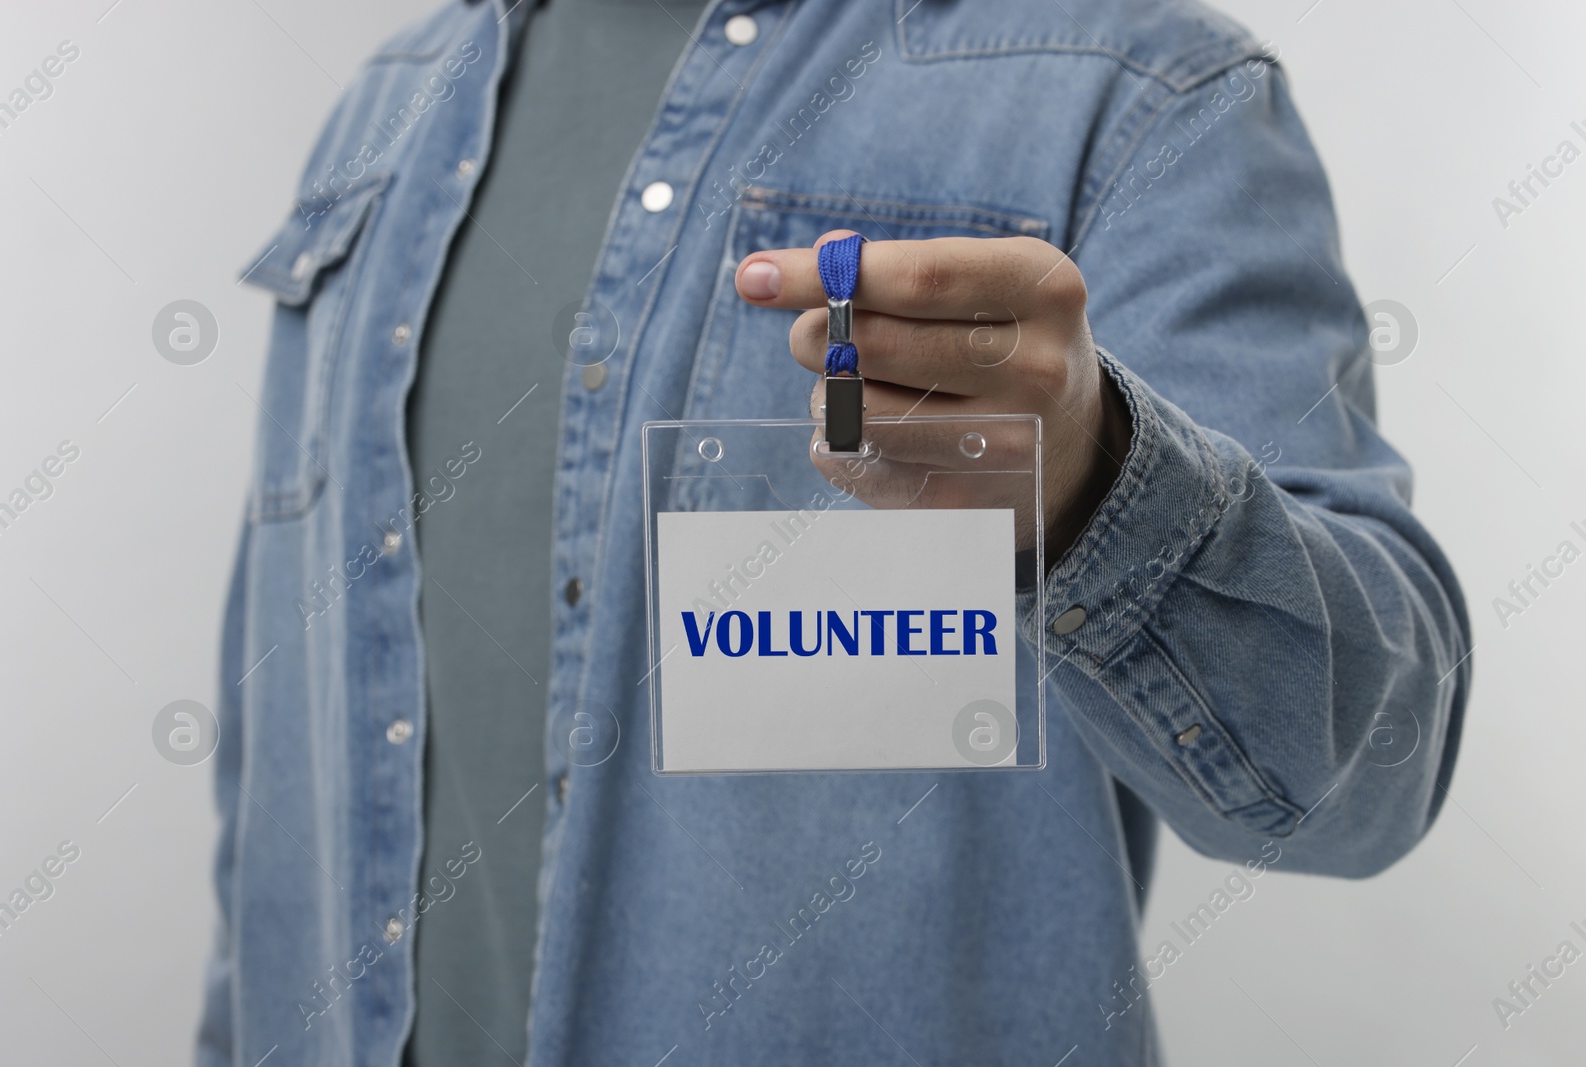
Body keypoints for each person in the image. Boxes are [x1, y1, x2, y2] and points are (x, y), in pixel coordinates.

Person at [198, 0, 1470, 1063]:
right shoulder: (390, 109)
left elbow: (1366, 778)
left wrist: (1096, 476)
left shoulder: (1131, 87)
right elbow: (280, 755)